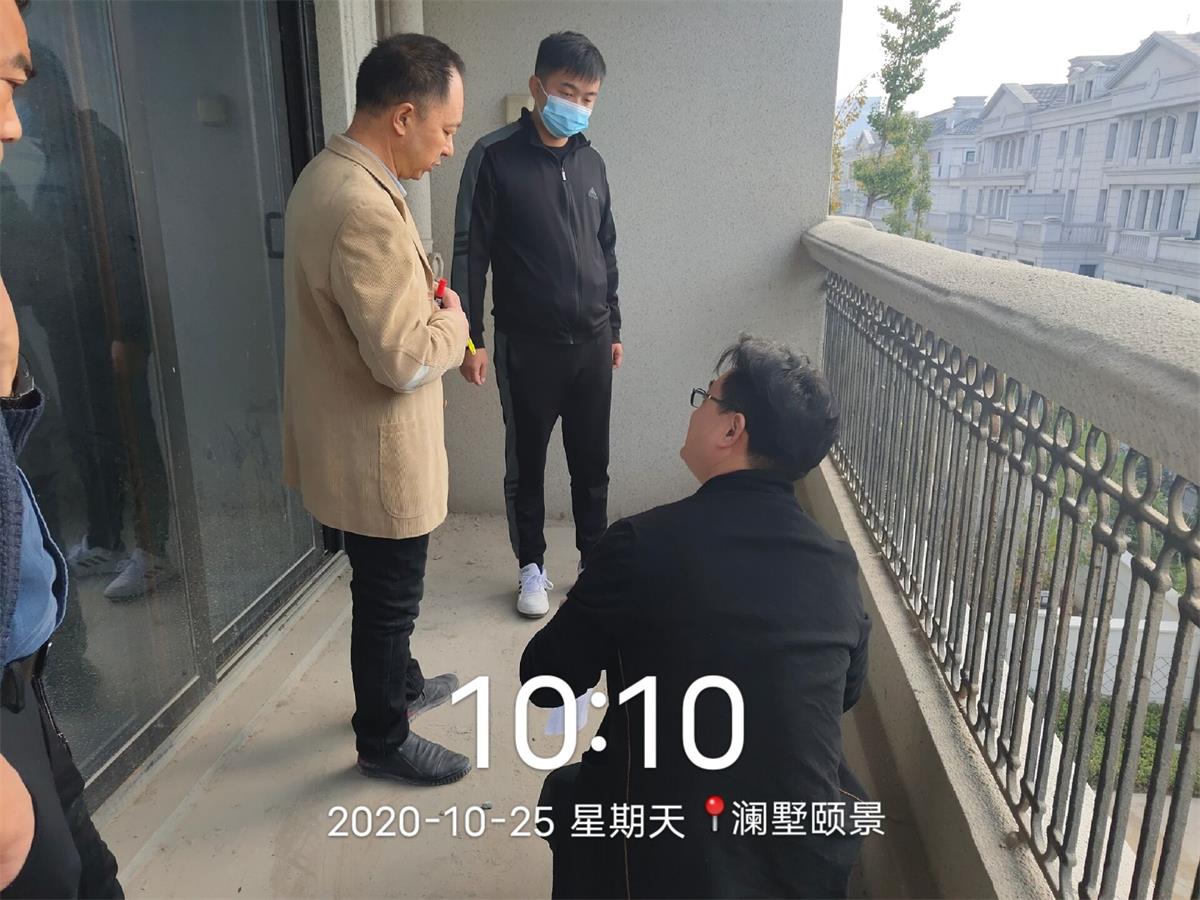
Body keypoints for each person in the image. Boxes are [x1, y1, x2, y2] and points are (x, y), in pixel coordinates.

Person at [520, 336, 872, 898]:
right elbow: (844, 693)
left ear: (732, 429)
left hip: (671, 863)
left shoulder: (639, 545)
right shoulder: (836, 565)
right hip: (805, 862)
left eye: (704, 398)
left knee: (568, 795)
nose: (694, 411)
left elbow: (545, 682)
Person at [281, 34, 472, 787]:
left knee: (382, 587)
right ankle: (383, 738)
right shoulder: (363, 206)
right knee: (391, 598)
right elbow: (403, 360)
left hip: (347, 434)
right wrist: (454, 322)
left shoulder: (326, 175)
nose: (448, 147)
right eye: (445, 129)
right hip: (378, 450)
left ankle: (402, 683)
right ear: (403, 116)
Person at [0, 0, 124, 894]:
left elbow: (106, 247)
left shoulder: (91, 152)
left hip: (24, 675)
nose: (14, 122)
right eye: (6, 86)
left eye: (20, 91)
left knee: (92, 872)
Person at [453, 32, 620, 619]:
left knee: (591, 464)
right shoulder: (494, 157)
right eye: (567, 91)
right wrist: (469, 338)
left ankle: (593, 563)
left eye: (589, 97)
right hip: (526, 345)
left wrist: (615, 327)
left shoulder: (592, 162)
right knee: (526, 464)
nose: (577, 105)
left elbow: (606, 250)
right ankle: (531, 567)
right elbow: (469, 252)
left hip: (592, 343)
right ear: (538, 86)